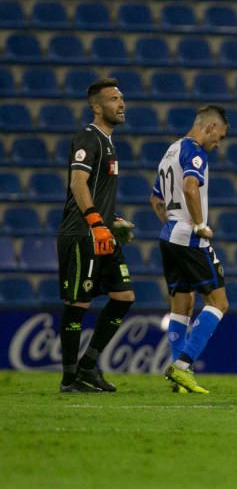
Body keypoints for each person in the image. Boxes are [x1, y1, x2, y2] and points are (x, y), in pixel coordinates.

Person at [57, 78, 135, 393]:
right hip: (82, 232)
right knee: (78, 302)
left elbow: (95, 190)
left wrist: (112, 219)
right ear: (96, 107)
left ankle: (89, 366)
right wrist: (95, 221)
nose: (121, 104)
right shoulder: (88, 138)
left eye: (121, 98)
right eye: (114, 99)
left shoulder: (108, 141)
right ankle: (69, 377)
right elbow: (78, 183)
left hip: (102, 231)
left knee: (124, 297)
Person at [153, 106, 231, 395]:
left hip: (169, 236)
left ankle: (177, 377)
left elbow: (155, 199)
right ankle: (183, 366)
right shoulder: (195, 151)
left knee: (182, 304)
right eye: (219, 137)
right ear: (209, 127)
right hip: (189, 237)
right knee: (219, 302)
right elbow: (189, 187)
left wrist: (172, 224)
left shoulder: (170, 152)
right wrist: (198, 224)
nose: (217, 143)